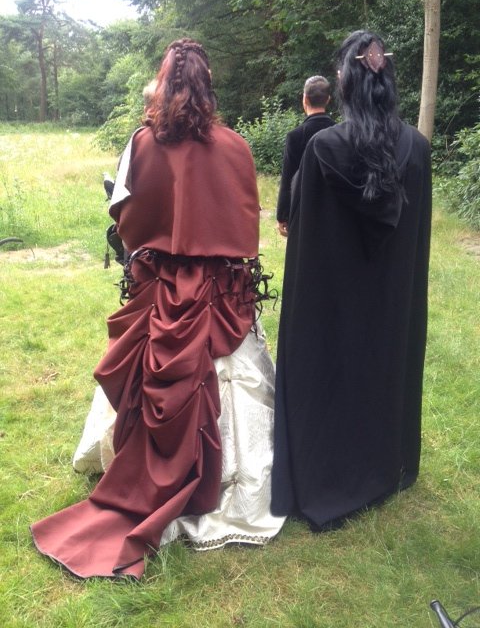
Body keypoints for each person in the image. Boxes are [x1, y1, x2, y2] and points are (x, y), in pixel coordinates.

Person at [31, 38, 283, 579]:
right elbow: (245, 230)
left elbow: (126, 220)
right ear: (208, 86)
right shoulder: (235, 146)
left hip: (162, 289)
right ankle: (221, 489)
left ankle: (134, 476)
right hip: (216, 295)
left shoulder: (142, 144)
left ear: (162, 84)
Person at [271, 31, 432, 530]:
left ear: (345, 82)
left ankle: (326, 471)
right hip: (389, 306)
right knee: (381, 361)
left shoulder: (323, 150)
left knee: (333, 367)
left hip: (334, 307)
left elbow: (307, 254)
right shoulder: (417, 149)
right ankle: (383, 463)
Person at [276, 75, 335, 237]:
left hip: (303, 209)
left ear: (305, 99)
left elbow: (288, 177)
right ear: (328, 100)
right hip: (334, 211)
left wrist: (282, 215)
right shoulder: (340, 134)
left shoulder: (295, 136)